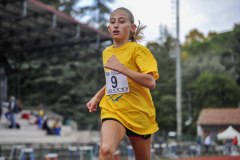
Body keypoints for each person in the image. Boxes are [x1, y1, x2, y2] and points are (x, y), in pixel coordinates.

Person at [86, 7, 159, 160]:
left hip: (138, 113)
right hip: (113, 110)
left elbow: (150, 82)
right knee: (106, 150)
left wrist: (121, 68)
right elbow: (114, 80)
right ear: (109, 28)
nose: (116, 25)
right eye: (112, 22)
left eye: (121, 21)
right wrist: (97, 97)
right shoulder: (106, 53)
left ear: (132, 28)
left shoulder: (138, 51)